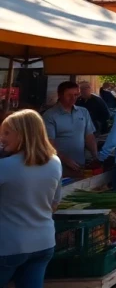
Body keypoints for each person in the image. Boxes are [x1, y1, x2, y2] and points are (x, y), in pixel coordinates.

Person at [0, 110, 63, 288]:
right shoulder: (55, 162)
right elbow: (54, 205)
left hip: (8, 245)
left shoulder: (5, 166)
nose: (2, 138)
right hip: (43, 243)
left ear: (23, 134)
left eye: (6, 133)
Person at [42, 81, 99, 175]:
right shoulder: (50, 115)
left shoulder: (83, 112)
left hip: (80, 165)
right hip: (58, 167)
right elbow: (48, 144)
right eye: (69, 95)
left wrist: (95, 156)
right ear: (60, 95)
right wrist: (65, 160)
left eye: (76, 95)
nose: (73, 98)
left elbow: (89, 136)